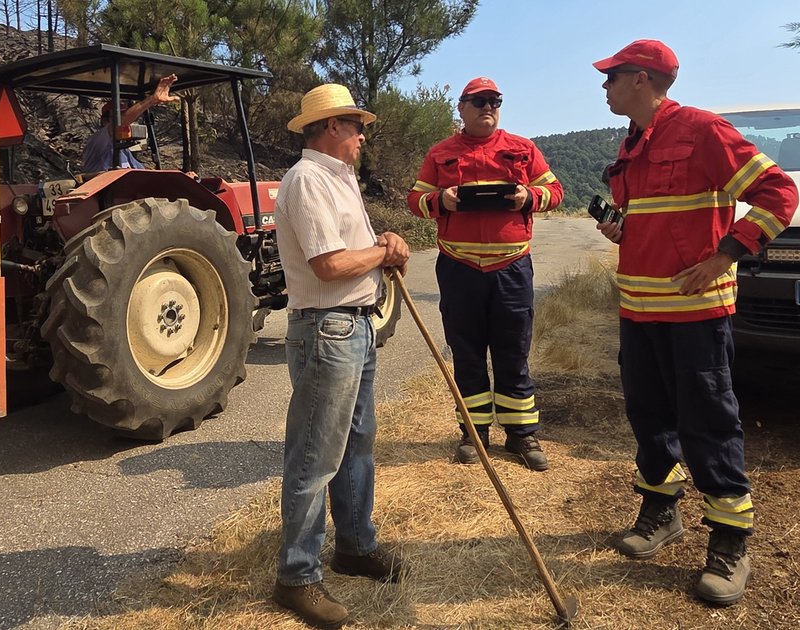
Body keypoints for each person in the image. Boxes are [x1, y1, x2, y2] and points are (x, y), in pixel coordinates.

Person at [592, 39, 797, 605]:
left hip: (695, 314)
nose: (604, 86)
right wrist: (624, 229)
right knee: (650, 417)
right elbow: (656, 219)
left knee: (708, 422)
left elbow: (780, 193)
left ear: (642, 79)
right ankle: (661, 513)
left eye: (612, 77)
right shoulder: (632, 143)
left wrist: (726, 254)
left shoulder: (703, 130)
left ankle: (731, 542)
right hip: (639, 310)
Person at [272, 83, 410, 630]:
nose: (361, 135)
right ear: (331, 126)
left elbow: (355, 250)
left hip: (352, 328)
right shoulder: (307, 181)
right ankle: (297, 576)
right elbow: (329, 265)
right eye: (356, 126)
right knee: (314, 455)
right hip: (328, 329)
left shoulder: (338, 180)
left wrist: (385, 245)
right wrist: (384, 251)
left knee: (356, 444)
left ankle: (354, 546)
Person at [406, 77, 562, 471]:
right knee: (467, 353)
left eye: (494, 101)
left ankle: (521, 435)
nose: (487, 107)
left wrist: (531, 196)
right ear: (461, 108)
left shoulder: (523, 149)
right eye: (478, 101)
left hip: (511, 269)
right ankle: (474, 435)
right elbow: (414, 200)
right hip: (459, 269)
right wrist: (439, 200)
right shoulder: (441, 153)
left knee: (513, 352)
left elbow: (555, 191)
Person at [81, 74, 179, 172]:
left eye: (127, 115)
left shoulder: (123, 150)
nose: (128, 122)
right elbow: (117, 126)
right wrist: (152, 99)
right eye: (119, 116)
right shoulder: (98, 141)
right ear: (105, 120)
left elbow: (140, 171)